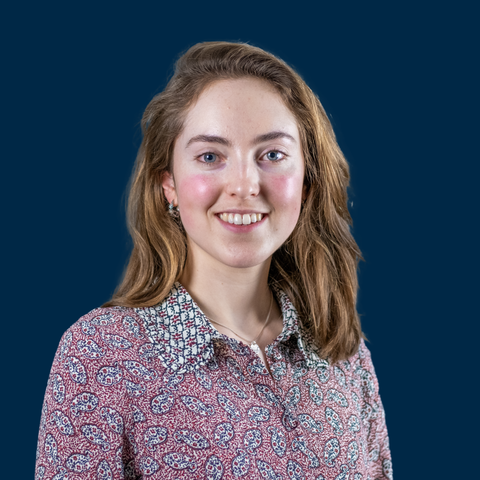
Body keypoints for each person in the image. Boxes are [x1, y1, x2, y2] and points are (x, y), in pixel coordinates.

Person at [35, 41, 393, 480]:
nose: (244, 184)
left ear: (306, 181)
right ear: (169, 184)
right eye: (210, 156)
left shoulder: (341, 349)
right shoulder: (101, 354)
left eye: (272, 155)